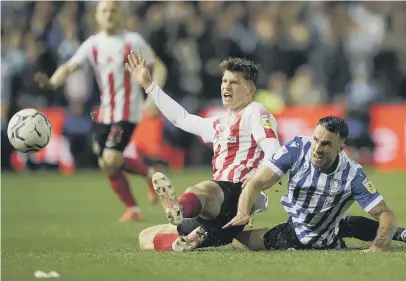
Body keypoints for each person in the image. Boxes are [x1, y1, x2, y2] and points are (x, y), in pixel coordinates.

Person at [125, 50, 281, 252]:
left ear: (249, 90)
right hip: (215, 211)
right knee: (145, 237)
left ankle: (178, 208)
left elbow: (273, 149)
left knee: (205, 189)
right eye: (224, 81)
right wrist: (149, 85)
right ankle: (194, 236)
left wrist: (256, 183)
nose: (226, 86)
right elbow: (181, 118)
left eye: (233, 82)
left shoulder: (255, 112)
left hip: (237, 195)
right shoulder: (219, 123)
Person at [224, 116, 406, 251]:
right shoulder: (297, 147)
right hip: (315, 228)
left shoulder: (353, 174)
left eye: (325, 144)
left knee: (239, 242)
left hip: (298, 237)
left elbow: (386, 215)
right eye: (315, 139)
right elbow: (256, 183)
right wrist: (243, 212)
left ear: (340, 148)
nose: (316, 148)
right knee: (349, 223)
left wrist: (377, 248)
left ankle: (201, 234)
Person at [35, 1, 168, 222]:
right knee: (106, 163)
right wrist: (51, 83)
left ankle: (149, 176)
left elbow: (160, 67)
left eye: (113, 11)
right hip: (104, 112)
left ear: (121, 15)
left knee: (111, 156)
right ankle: (136, 204)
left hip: (128, 110)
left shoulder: (132, 41)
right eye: (104, 11)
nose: (109, 15)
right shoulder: (92, 44)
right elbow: (69, 67)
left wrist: (154, 98)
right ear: (97, 16)